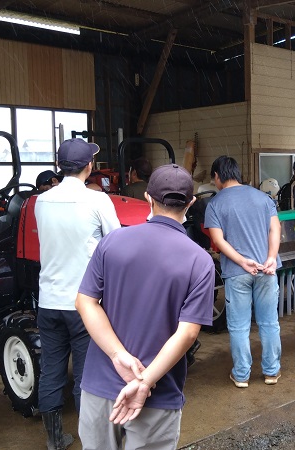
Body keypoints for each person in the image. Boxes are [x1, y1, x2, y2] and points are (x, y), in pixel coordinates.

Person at [76, 164, 215, 449]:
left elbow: (85, 302)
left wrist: (118, 356)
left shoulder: (113, 241)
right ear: (190, 203)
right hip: (157, 394)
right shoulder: (199, 260)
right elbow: (187, 333)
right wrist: (145, 381)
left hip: (100, 386)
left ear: (148, 198)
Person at [35, 138, 121, 450]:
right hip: (85, 303)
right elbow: (116, 244)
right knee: (87, 376)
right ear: (89, 166)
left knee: (52, 370)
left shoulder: (40, 201)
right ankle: (91, 440)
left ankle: (54, 438)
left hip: (48, 301)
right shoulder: (98, 201)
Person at [204, 155, 282, 388]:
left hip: (237, 273)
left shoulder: (215, 204)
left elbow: (218, 241)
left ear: (218, 176)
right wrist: (270, 258)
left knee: (239, 326)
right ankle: (271, 372)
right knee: (269, 323)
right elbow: (275, 229)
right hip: (267, 270)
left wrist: (242, 261)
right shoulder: (263, 197)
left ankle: (241, 375)